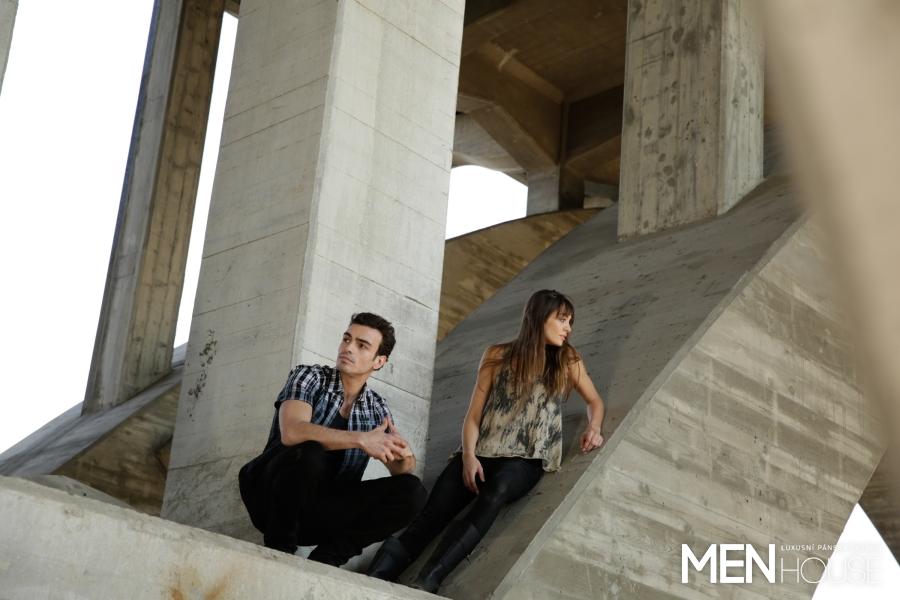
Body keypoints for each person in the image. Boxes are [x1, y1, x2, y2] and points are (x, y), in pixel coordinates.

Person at [366, 289, 605, 592]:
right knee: (432, 514)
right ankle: (374, 577)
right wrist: (468, 456)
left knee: (496, 492)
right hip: (481, 452)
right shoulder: (497, 355)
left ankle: (428, 581)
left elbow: (595, 401)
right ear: (539, 317)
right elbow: (474, 415)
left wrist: (594, 427)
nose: (568, 327)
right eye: (562, 319)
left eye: (570, 321)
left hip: (524, 460)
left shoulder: (567, 359)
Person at [238, 312, 427, 567]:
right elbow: (292, 432)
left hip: (319, 513)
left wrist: (404, 455)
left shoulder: (376, 408)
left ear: (379, 361)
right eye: (347, 339)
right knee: (310, 451)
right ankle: (279, 551)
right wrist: (360, 439)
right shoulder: (310, 377)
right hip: (269, 498)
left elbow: (401, 469)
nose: (348, 348)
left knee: (413, 491)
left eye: (362, 345)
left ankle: (327, 560)